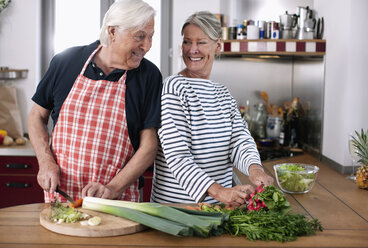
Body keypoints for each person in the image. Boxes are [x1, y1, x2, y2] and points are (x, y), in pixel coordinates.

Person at [28, 0, 162, 203]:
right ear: (113, 32)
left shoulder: (149, 75)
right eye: (140, 36)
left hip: (118, 200)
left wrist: (112, 188)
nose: (147, 46)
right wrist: (45, 161)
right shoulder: (66, 61)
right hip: (62, 196)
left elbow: (149, 144)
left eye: (150, 37)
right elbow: (37, 116)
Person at [151, 11, 273, 206]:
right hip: (180, 208)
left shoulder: (222, 93)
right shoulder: (174, 87)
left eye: (201, 42)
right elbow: (177, 156)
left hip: (220, 208)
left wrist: (255, 169)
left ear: (218, 46)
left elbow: (240, 140)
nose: (192, 50)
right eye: (187, 42)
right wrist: (219, 192)